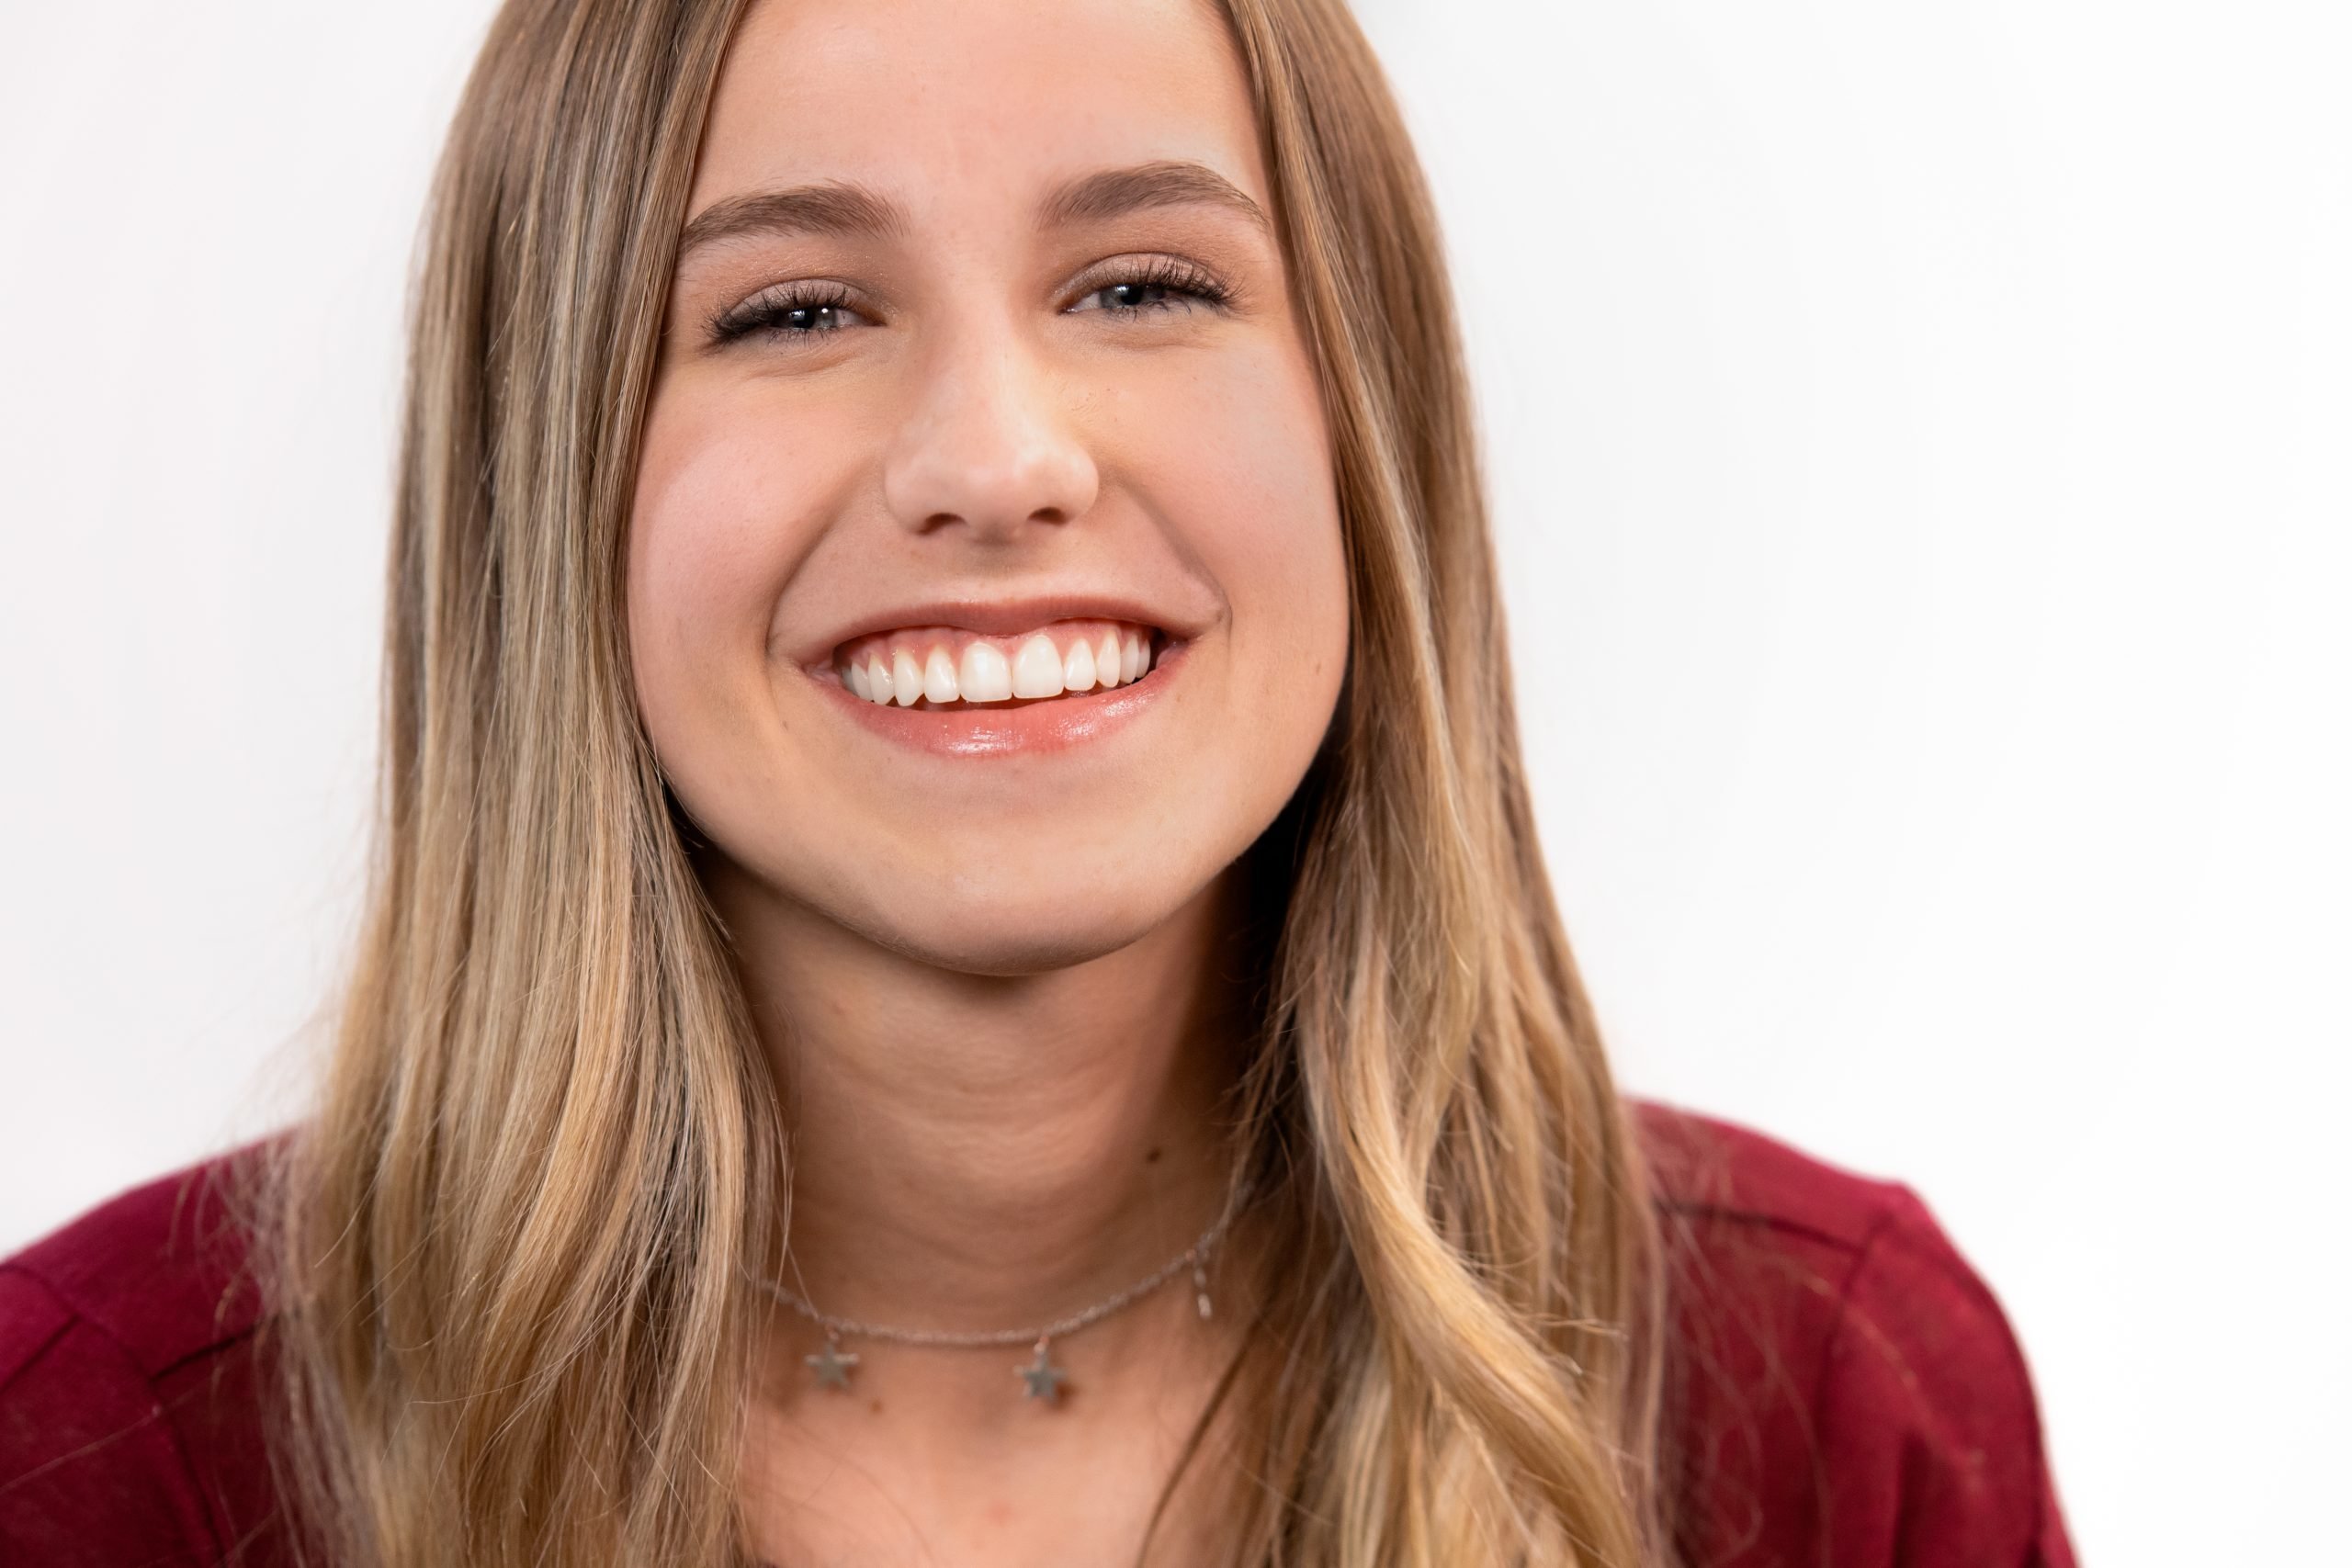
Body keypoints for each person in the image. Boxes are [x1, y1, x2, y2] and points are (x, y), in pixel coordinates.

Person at [0, 0, 2077, 1564]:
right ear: (539, 493)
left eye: (1144, 283)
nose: (996, 459)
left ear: (1364, 427)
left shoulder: (1832, 1400)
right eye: (793, 306)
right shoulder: (84, 1451)